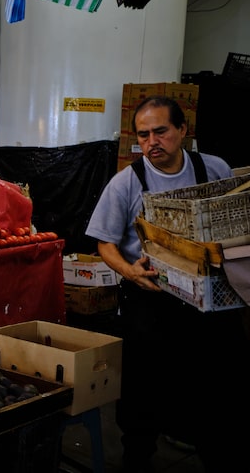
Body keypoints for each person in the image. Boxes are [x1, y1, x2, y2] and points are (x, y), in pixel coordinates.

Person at [86, 96, 250, 472]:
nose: (151, 142)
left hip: (211, 301)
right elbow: (104, 243)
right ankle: (137, 457)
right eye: (143, 135)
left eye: (160, 131)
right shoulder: (126, 183)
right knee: (143, 394)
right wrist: (130, 272)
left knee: (221, 392)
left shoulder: (213, 168)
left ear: (182, 131)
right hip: (153, 299)